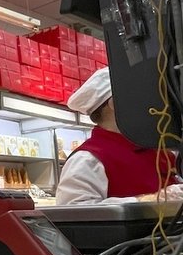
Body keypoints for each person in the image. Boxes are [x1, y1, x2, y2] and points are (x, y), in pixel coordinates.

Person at [57, 67, 179, 204]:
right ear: (115, 103)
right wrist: (151, 200)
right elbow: (75, 216)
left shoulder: (161, 151)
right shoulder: (87, 159)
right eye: (140, 96)